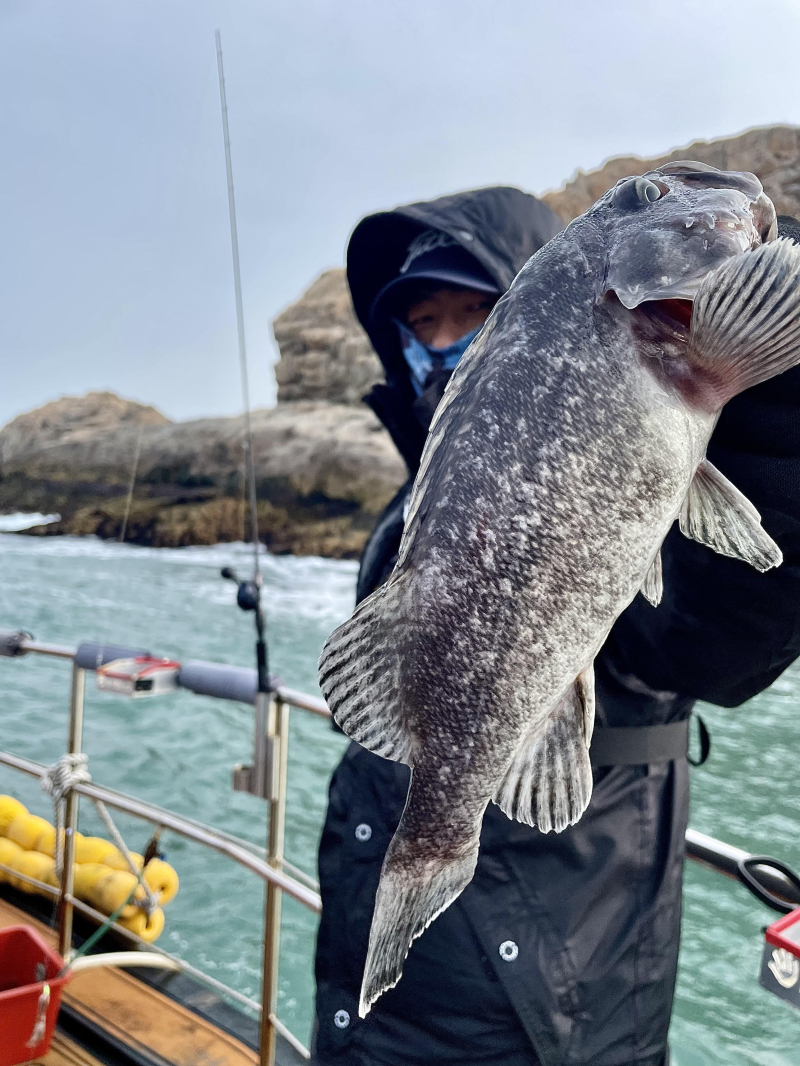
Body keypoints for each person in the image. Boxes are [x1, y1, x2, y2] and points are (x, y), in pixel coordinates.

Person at [313, 177, 800, 1066]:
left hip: (550, 1021)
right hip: (361, 1004)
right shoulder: (412, 503)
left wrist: (782, 452)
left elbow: (715, 631)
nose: (443, 343)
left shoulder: (674, 393)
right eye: (423, 325)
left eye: (472, 312)